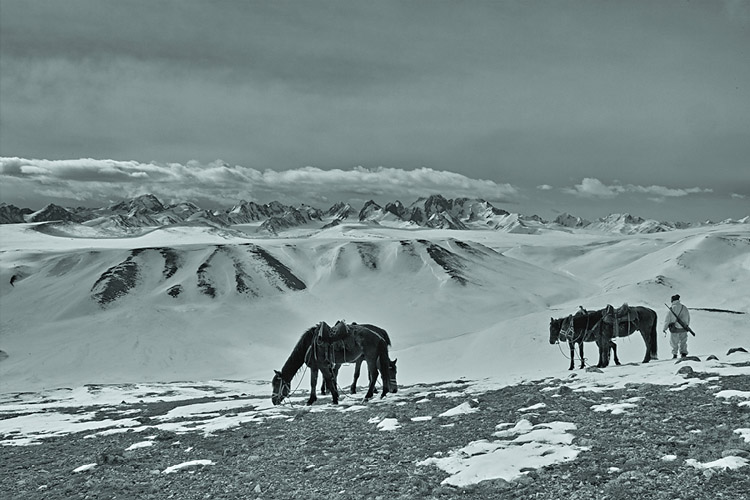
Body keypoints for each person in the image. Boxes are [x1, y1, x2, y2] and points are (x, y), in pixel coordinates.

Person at [663, 294, 690, 358]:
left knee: (674, 342)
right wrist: (686, 325)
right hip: (684, 328)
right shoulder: (684, 307)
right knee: (683, 341)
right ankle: (683, 353)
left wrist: (665, 328)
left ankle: (674, 354)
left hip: (674, 328)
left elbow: (667, 319)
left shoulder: (672, 308)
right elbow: (688, 318)